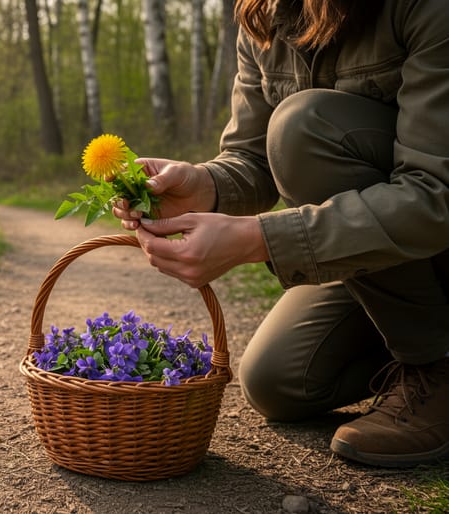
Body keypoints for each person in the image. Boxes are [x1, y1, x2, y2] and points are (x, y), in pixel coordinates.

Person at [113, 0, 449, 468]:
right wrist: (201, 184)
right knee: (280, 380)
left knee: (302, 124)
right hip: (386, 251)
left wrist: (260, 240)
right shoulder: (264, 13)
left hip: (435, 233)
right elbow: (252, 159)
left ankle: (433, 366)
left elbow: (436, 195)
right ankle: (413, 333)